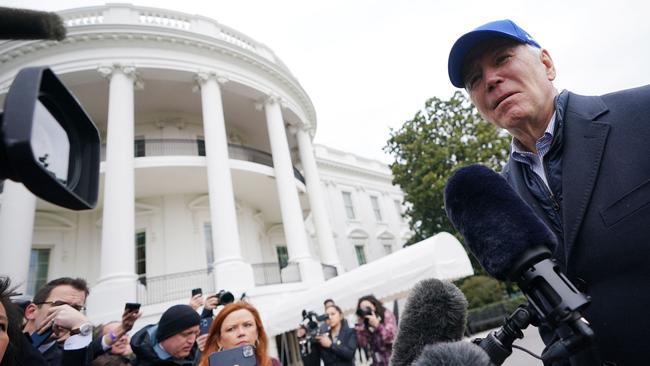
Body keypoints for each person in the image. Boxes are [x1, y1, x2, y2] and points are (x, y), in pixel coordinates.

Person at [447, 19, 650, 366]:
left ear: (546, 63)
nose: (490, 80)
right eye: (474, 80)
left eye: (501, 59)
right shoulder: (499, 197)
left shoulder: (641, 114)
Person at [23, 277, 94, 366]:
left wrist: (83, 329)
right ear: (31, 311)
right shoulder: (6, 339)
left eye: (76, 309)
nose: (67, 314)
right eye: (59, 305)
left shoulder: (68, 357)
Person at [198, 302, 279, 366]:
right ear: (219, 340)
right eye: (231, 329)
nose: (241, 333)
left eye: (247, 325)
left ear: (257, 332)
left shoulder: (272, 364)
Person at [130, 304, 200, 365]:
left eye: (196, 334)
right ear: (167, 334)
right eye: (186, 334)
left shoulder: (198, 356)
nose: (192, 341)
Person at [354, 295, 396, 366]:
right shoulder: (364, 323)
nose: (365, 310)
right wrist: (360, 325)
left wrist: (377, 325)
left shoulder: (386, 314)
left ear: (374, 306)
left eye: (367, 307)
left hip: (392, 359)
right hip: (377, 361)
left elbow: (391, 338)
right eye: (362, 309)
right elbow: (362, 343)